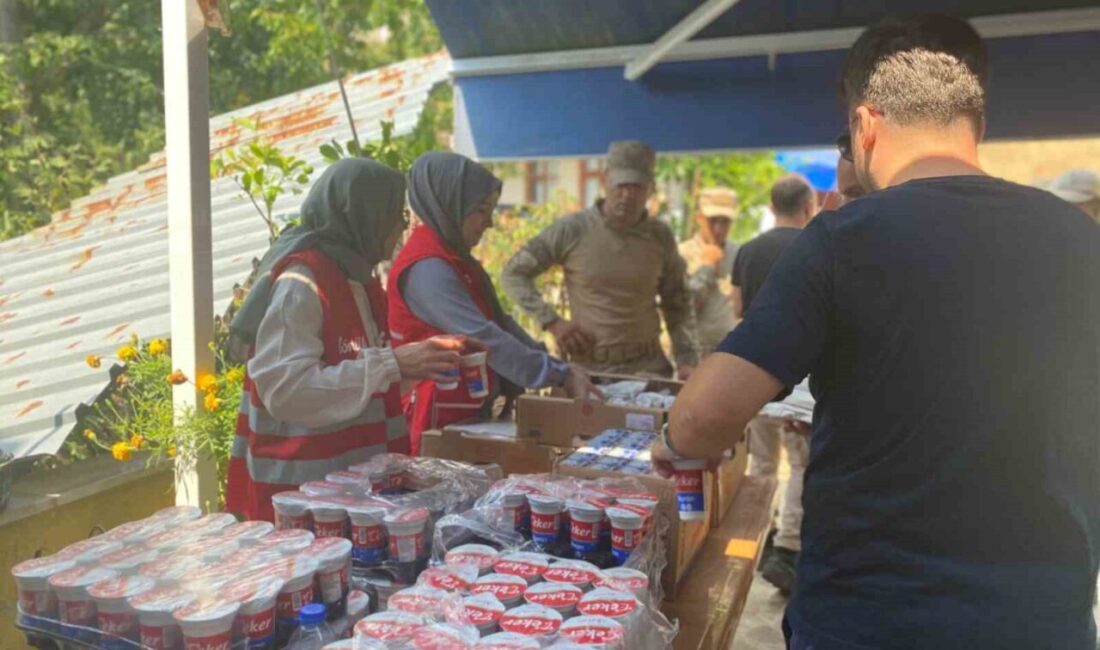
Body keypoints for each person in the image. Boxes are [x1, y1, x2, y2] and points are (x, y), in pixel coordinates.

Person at [653, 14, 1099, 650]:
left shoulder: (841, 242)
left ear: (863, 126)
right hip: (1040, 622)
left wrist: (668, 439)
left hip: (872, 620)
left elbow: (702, 422)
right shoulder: (1082, 241)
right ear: (978, 125)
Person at [225, 159, 465, 522]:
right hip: (300, 507)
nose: (403, 224)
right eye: (394, 212)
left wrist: (417, 365)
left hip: (351, 501)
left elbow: (355, 384)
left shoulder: (359, 280)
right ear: (362, 214)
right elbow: (287, 390)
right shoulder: (302, 282)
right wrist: (393, 364)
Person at [388, 152, 601, 454]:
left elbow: (500, 322)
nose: (489, 222)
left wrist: (555, 366)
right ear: (451, 204)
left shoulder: (456, 258)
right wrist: (557, 373)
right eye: (480, 210)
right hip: (433, 422)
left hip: (462, 415)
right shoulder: (427, 268)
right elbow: (484, 336)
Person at [502, 140, 700, 379]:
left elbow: (677, 300)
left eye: (636, 187)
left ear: (650, 188)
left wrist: (687, 360)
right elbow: (513, 273)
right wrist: (552, 322)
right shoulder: (572, 230)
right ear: (606, 182)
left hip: (648, 369)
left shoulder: (660, 236)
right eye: (621, 185)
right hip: (588, 371)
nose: (627, 195)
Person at [728, 173, 817, 594]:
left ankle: (755, 541)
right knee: (799, 464)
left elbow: (738, 310)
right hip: (804, 379)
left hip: (754, 373)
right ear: (808, 208)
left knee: (761, 465)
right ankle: (787, 549)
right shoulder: (814, 247)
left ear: (771, 207)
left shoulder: (747, 251)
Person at [678, 187, 739, 356]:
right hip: (693, 352)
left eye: (725, 221)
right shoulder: (681, 254)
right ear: (699, 218)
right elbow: (683, 308)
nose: (719, 229)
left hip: (729, 352)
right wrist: (708, 266)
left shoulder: (739, 254)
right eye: (713, 220)